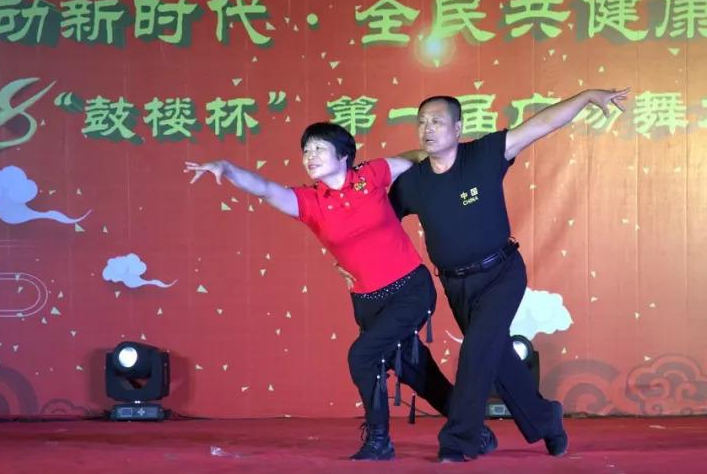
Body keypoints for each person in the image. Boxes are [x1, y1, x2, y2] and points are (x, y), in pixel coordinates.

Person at [184, 122, 495, 461]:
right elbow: (265, 189)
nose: (310, 156)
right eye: (306, 151)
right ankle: (476, 431)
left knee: (363, 356)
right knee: (413, 370)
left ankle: (379, 442)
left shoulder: (371, 175)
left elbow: (416, 158)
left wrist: (456, 170)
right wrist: (228, 169)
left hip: (411, 290)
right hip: (367, 303)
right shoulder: (310, 202)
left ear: (344, 154)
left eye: (319, 148)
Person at [387, 88, 629, 462]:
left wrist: (585, 97)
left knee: (476, 352)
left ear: (457, 127)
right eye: (421, 122)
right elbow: (379, 225)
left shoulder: (483, 155)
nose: (427, 129)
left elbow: (540, 125)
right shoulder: (413, 182)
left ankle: (459, 441)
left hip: (500, 274)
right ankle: (546, 419)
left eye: (437, 121)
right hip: (455, 285)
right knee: (496, 358)